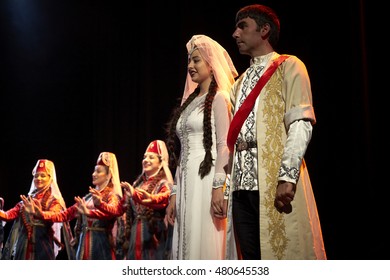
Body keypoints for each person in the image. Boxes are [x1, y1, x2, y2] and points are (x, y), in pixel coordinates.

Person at [224, 4, 327, 260]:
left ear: (264, 30)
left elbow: (300, 123)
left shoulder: (289, 66)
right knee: (251, 259)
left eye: (242, 26)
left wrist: (288, 176)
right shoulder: (239, 83)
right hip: (241, 186)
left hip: (273, 181)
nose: (235, 34)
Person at [165, 34, 238, 260]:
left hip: (206, 178)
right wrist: (174, 193)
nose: (190, 66)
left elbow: (225, 145)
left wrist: (219, 187)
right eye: (189, 61)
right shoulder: (191, 103)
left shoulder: (220, 98)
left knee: (204, 236)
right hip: (187, 178)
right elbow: (184, 151)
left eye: (196, 60)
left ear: (210, 62)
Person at [23, 152, 123, 260]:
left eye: (98, 171)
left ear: (109, 175)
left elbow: (114, 211)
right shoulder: (88, 198)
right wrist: (41, 214)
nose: (94, 174)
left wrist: (97, 206)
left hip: (101, 246)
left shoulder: (112, 196)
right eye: (94, 170)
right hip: (83, 245)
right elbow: (64, 215)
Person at [91, 140, 173, 260]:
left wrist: (141, 196)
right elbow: (118, 210)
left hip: (154, 236)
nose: (146, 160)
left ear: (161, 162)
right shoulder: (136, 185)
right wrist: (100, 204)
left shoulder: (163, 184)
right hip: (135, 238)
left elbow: (163, 200)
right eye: (145, 157)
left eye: (151, 157)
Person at [0, 159, 66, 260]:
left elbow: (55, 216)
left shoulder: (54, 201)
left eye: (43, 175)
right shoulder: (26, 200)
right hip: (23, 246)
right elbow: (8, 215)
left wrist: (39, 213)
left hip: (42, 245)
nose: (38, 178)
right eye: (36, 176)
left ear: (50, 178)